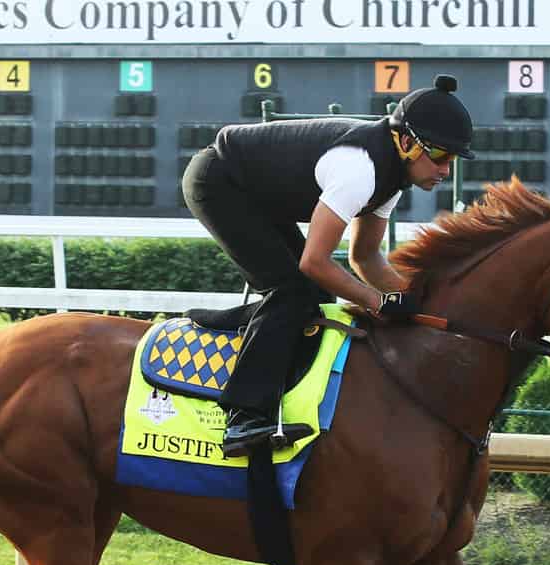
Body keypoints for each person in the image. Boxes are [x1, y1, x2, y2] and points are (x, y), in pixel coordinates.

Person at [181, 74, 475, 457]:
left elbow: (365, 257)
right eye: (439, 156)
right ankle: (244, 417)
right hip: (218, 182)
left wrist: (417, 302)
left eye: (452, 159)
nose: (445, 170)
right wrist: (379, 303)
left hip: (255, 193)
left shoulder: (392, 177)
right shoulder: (361, 169)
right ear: (406, 142)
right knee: (295, 290)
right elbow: (314, 262)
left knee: (310, 296)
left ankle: (250, 324)